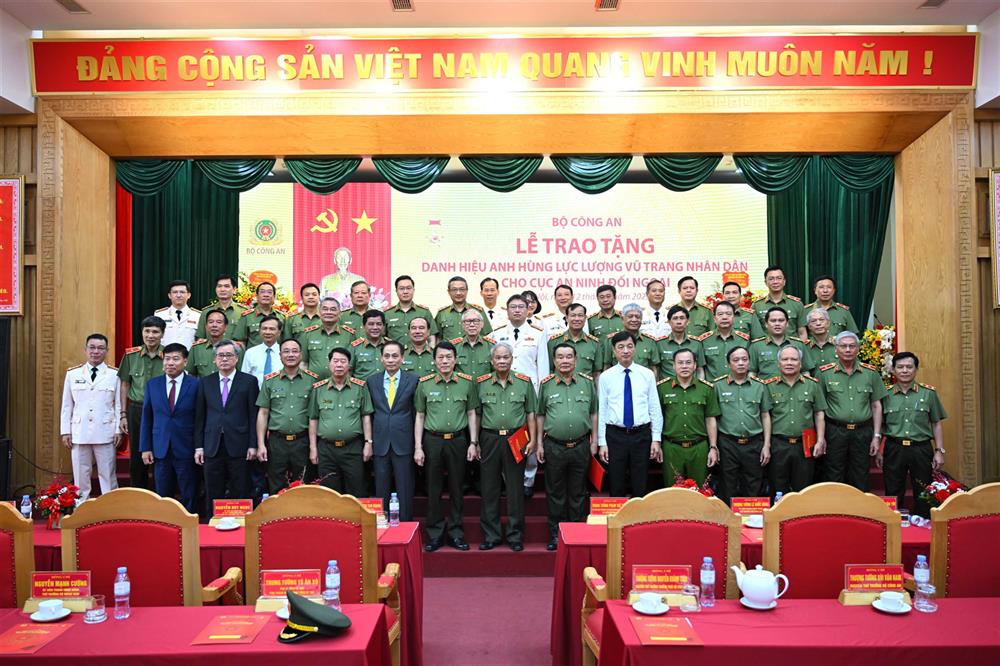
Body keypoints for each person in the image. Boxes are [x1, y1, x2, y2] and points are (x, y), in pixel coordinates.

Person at [414, 341, 480, 552]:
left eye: (448, 357)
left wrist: (473, 442)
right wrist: (418, 446)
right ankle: (434, 534)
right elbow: (420, 416)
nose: (444, 361)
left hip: (458, 441)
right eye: (440, 357)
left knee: (456, 488)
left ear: (455, 359)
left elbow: (471, 413)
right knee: (433, 488)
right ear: (434, 360)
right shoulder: (424, 384)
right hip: (432, 441)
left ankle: (456, 533)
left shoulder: (467, 383)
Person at [536, 343, 598, 551]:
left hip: (581, 445)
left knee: (578, 491)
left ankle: (577, 532)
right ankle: (557, 533)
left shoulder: (587, 383)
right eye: (560, 357)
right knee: (555, 492)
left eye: (569, 356)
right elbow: (540, 415)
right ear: (554, 361)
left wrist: (595, 441)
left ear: (576, 359)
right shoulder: (546, 385)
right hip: (554, 446)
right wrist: (539, 443)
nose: (565, 361)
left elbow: (594, 413)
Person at [476, 342, 537, 551]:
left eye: (506, 357)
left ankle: (515, 535)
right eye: (498, 358)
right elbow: (477, 414)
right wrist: (475, 442)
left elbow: (531, 413)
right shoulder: (481, 383)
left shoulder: (524, 382)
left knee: (515, 489)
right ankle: (491, 535)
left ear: (512, 359)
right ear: (492, 361)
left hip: (516, 438)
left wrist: (533, 440)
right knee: (489, 488)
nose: (502, 361)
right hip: (489, 438)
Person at [490, 294, 549, 497]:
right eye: (513, 307)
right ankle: (508, 480)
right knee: (506, 437)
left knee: (528, 435)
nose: (517, 310)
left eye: (521, 307)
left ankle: (527, 480)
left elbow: (543, 367)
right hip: (503, 391)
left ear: (528, 310)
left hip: (529, 391)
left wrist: (541, 396)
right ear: (507, 310)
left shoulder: (538, 334)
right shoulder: (497, 333)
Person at [817, 331, 888, 491]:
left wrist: (876, 436)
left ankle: (858, 507)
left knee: (860, 473)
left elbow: (876, 405)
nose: (848, 349)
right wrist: (821, 438)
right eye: (843, 346)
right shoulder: (824, 373)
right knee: (833, 473)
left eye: (852, 346)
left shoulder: (870, 373)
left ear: (858, 349)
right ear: (836, 349)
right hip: (835, 431)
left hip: (862, 431)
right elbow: (819, 408)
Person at [878, 352, 948, 517]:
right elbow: (880, 426)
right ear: (893, 370)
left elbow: (936, 423)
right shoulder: (885, 395)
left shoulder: (928, 393)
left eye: (909, 367)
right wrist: (880, 451)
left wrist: (939, 451)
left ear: (916, 369)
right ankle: (893, 523)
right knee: (893, 489)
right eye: (900, 367)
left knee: (923, 490)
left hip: (921, 448)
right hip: (894, 448)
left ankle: (923, 522)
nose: (905, 371)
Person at [194, 339, 260, 511]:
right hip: (212, 445)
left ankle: (240, 524)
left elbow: (253, 416)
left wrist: (253, 445)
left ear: (237, 358)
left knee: (241, 488)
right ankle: (212, 522)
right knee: (212, 489)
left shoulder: (249, 381)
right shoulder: (205, 382)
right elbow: (200, 417)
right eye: (220, 355)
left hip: (240, 444)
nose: (224, 359)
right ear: (214, 359)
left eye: (229, 355)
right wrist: (199, 447)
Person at [598, 331, 663, 497]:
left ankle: (639, 514)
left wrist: (656, 439)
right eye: (621, 347)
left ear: (635, 349)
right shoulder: (606, 377)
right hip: (615, 435)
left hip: (641, 435)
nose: (625, 351)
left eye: (629, 346)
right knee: (616, 483)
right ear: (614, 351)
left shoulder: (647, 374)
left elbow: (654, 408)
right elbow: (602, 411)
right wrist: (602, 442)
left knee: (640, 484)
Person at [60, 333, 122, 500]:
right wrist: (65, 431)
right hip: (79, 431)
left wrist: (118, 430)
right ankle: (82, 507)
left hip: (105, 430)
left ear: (107, 350)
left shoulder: (114, 374)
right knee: (81, 474)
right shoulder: (73, 374)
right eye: (92, 347)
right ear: (85, 349)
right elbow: (67, 405)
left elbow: (118, 404)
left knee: (108, 474)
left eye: (101, 348)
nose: (96, 351)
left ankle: (110, 506)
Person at [139, 343, 198, 513]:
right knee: (163, 492)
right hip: (160, 446)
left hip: (186, 446)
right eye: (167, 359)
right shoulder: (153, 385)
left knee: (189, 491)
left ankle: (190, 521)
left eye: (176, 359)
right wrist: (146, 448)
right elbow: (147, 417)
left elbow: (200, 418)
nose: (170, 363)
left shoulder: (196, 384)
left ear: (185, 361)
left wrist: (199, 446)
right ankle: (166, 522)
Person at [308, 347, 373, 498]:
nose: (339, 365)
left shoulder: (360, 387)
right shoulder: (319, 389)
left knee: (357, 491)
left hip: (352, 447)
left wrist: (368, 443)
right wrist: (313, 447)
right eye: (335, 361)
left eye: (343, 361)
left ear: (349, 365)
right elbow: (313, 419)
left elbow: (366, 417)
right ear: (329, 364)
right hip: (326, 449)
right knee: (329, 494)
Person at [256, 338, 317, 493]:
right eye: (286, 351)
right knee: (276, 486)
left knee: (303, 486)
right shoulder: (270, 381)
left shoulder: (312, 381)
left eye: (295, 351)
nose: (291, 355)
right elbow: (263, 413)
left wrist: (313, 446)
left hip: (302, 441)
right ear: (280, 355)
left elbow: (314, 417)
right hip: (277, 442)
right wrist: (261, 444)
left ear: (301, 355)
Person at [367, 341, 419, 521]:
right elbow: (369, 413)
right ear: (381, 358)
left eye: (395, 356)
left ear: (402, 358)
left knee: (405, 488)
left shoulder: (413, 380)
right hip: (380, 441)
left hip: (404, 441)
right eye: (387, 356)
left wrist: (417, 444)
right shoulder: (371, 381)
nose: (391, 360)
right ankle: (381, 525)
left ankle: (405, 525)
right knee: (381, 487)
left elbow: (417, 413)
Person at [766, 346, 827, 493]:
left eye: (794, 359)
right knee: (778, 488)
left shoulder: (812, 385)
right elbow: (765, 416)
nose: (789, 363)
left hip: (804, 444)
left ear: (800, 363)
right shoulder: (768, 386)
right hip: (778, 444)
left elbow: (819, 414)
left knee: (804, 489)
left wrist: (820, 440)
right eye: (785, 359)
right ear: (778, 363)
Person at [713, 347, 772, 500]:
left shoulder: (760, 386)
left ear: (749, 362)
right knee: (728, 485)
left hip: (754, 443)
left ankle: (751, 515)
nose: (740, 363)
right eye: (736, 360)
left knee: (753, 485)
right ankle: (728, 515)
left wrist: (766, 445)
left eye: (744, 359)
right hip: (728, 443)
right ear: (728, 364)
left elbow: (765, 416)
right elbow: (713, 418)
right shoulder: (718, 386)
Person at [657, 348, 720, 487]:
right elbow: (657, 419)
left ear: (695, 365)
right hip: (672, 447)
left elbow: (710, 419)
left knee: (700, 490)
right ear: (673, 366)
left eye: (688, 362)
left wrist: (713, 447)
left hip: (699, 447)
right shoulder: (662, 388)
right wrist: (658, 444)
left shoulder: (706, 389)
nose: (684, 366)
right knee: (672, 491)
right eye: (680, 363)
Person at [118, 315, 165, 489]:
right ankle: (139, 493)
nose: (150, 335)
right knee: (137, 455)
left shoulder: (168, 356)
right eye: (147, 331)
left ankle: (162, 495)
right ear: (142, 332)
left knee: (161, 451)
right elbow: (125, 385)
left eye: (155, 332)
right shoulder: (131, 355)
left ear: (162, 334)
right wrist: (123, 414)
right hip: (137, 410)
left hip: (162, 410)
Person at [748, 306, 815, 380]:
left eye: (781, 320)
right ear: (766, 324)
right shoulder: (756, 346)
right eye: (773, 321)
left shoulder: (798, 345)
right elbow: (752, 373)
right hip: (766, 386)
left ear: (787, 324)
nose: (777, 324)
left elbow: (805, 372)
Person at [299, 297, 356, 379]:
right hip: (313, 383)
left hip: (339, 383)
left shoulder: (349, 335)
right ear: (319, 312)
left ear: (339, 313)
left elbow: (351, 365)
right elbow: (303, 363)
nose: (329, 312)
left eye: (333, 309)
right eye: (325, 309)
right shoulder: (308, 334)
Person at [548, 303, 604, 381]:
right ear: (566, 318)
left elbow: (597, 373)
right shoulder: (554, 342)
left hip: (585, 387)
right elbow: (550, 370)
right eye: (573, 315)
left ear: (585, 318)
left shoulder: (594, 343)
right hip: (560, 387)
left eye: (580, 315)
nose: (577, 319)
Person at [698, 301, 750, 381]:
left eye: (728, 314)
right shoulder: (704, 340)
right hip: (712, 386)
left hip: (738, 386)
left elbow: (750, 367)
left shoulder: (744, 340)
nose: (724, 317)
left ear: (734, 317)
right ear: (714, 318)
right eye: (720, 314)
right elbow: (700, 369)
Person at [752, 266, 807, 340]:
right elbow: (754, 333)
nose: (775, 282)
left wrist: (801, 347)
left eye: (779, 278)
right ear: (765, 282)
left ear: (784, 281)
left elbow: (802, 332)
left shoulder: (797, 304)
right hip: (766, 346)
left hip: (792, 346)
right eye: (771, 279)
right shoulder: (757, 305)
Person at [606, 303, 660, 374]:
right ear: (622, 318)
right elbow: (607, 366)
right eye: (630, 316)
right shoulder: (611, 340)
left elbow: (654, 368)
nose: (634, 320)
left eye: (637, 317)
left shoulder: (650, 342)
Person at [385, 275, 438, 347]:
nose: (405, 292)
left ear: (413, 290)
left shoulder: (424, 312)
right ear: (396, 291)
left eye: (408, 288)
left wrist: (431, 352)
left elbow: (431, 338)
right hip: (395, 353)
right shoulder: (387, 314)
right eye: (401, 288)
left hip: (418, 353)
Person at [656, 305, 706, 380]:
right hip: (668, 386)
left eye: (682, 318)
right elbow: (657, 370)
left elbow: (700, 370)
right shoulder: (660, 344)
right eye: (675, 318)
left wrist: (700, 385)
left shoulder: (696, 343)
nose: (679, 322)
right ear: (669, 322)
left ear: (688, 321)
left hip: (692, 385)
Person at [190, 309, 245, 377]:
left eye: (219, 322)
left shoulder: (236, 348)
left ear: (226, 327)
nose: (214, 325)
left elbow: (242, 374)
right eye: (211, 322)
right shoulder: (196, 348)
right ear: (206, 326)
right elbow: (190, 375)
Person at [435, 276, 491, 341]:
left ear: (467, 291)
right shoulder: (442, 313)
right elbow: (437, 339)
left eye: (462, 289)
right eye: (454, 290)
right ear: (449, 292)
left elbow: (488, 336)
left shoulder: (478, 311)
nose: (458, 293)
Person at [233, 281, 286, 347]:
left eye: (269, 292)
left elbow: (286, 341)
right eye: (262, 292)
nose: (266, 295)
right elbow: (240, 341)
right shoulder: (247, 316)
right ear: (257, 296)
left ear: (274, 297)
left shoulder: (281, 317)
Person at [155, 280, 200, 349]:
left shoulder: (197, 315)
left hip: (189, 355)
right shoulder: (160, 315)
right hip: (166, 354)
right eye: (175, 292)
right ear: (169, 295)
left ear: (189, 295)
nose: (178, 295)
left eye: (182, 292)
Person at [196, 274, 242, 339]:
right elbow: (201, 338)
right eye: (219, 286)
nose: (222, 289)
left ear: (234, 290)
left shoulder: (242, 312)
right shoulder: (206, 312)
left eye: (226, 286)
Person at [241, 315, 283, 387]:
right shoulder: (250, 353)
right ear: (259, 331)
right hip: (255, 392)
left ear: (279, 332)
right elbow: (244, 378)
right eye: (264, 328)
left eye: (272, 329)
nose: (267, 332)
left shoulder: (285, 352)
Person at [453, 308, 494, 378]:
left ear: (482, 324)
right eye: (468, 321)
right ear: (462, 325)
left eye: (475, 321)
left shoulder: (491, 346)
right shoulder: (454, 347)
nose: (472, 325)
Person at [350, 309, 390, 379]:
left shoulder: (391, 346)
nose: (375, 327)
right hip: (362, 386)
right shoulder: (354, 348)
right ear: (364, 326)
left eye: (379, 324)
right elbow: (348, 372)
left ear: (384, 326)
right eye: (371, 324)